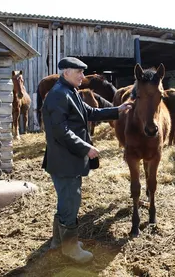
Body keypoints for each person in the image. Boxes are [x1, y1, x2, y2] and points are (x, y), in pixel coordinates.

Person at [41, 57, 131, 263]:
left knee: (68, 201)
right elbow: (60, 132)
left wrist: (117, 110)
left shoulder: (69, 91)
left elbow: (89, 112)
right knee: (70, 202)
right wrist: (86, 147)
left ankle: (59, 242)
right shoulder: (57, 95)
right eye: (79, 72)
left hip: (69, 159)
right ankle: (70, 248)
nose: (83, 76)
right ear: (65, 73)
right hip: (65, 160)